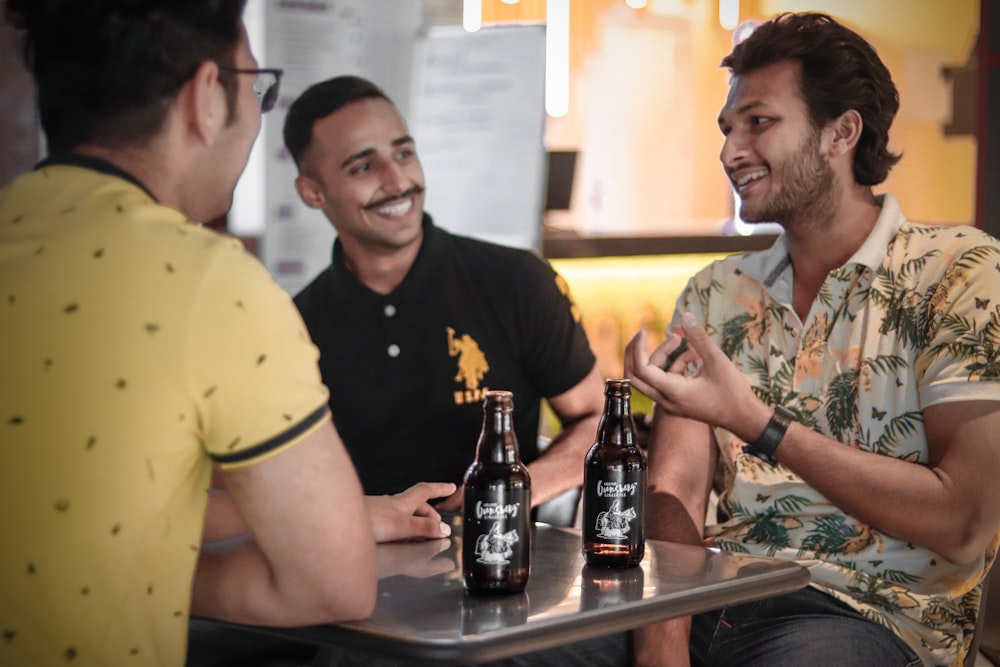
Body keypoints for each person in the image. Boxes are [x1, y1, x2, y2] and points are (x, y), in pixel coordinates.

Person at [0, 2, 448, 666]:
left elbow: (118, 489)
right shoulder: (210, 285)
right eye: (256, 86)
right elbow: (332, 583)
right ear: (206, 97)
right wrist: (136, 575)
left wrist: (361, 512)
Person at [625, 11, 1000, 667]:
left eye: (758, 123)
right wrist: (661, 643)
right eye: (727, 129)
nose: (729, 150)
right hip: (708, 601)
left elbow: (963, 522)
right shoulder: (715, 292)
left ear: (842, 131)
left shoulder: (959, 273)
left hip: (867, 618)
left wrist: (755, 421)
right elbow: (675, 489)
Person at [284, 75, 605, 512]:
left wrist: (506, 495)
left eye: (403, 153)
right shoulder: (293, 327)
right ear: (313, 192)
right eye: (364, 166)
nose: (398, 181)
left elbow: (598, 418)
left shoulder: (515, 280)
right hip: (358, 569)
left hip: (505, 564)